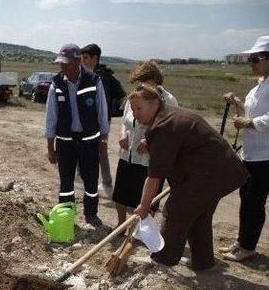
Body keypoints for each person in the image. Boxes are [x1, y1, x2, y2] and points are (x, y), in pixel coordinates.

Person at [131, 84, 248, 270]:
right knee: (199, 215)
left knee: (176, 210)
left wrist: (144, 207)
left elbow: (154, 177)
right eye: (132, 109)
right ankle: (203, 262)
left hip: (209, 174)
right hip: (221, 171)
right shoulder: (167, 116)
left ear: (155, 104)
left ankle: (163, 260)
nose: (135, 113)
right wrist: (149, 140)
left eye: (139, 108)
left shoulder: (163, 126)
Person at [45, 43, 110, 226]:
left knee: (91, 181)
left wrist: (103, 139)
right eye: (60, 63)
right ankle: (66, 215)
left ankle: (91, 214)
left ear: (78, 61)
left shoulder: (93, 80)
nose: (62, 67)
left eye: (66, 63)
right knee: (66, 182)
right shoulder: (56, 84)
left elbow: (102, 113)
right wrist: (51, 147)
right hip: (65, 143)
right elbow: (51, 118)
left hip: (89, 141)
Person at [219, 35, 269, 262]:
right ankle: (242, 241)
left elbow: (264, 119)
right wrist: (237, 102)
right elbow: (253, 110)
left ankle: (248, 246)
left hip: (265, 156)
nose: (251, 63)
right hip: (251, 153)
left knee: (254, 201)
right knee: (246, 197)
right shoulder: (260, 86)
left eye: (255, 59)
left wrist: (248, 123)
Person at [113, 61, 178, 225]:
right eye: (139, 82)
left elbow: (170, 129)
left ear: (155, 81)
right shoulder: (135, 96)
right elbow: (125, 120)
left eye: (145, 81)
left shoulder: (168, 100)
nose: (141, 85)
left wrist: (149, 140)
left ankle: (138, 231)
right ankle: (121, 226)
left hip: (149, 159)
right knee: (121, 193)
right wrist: (122, 134)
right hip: (128, 154)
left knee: (144, 197)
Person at [80, 43, 126, 196]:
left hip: (99, 122)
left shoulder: (102, 78)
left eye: (86, 58)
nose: (83, 61)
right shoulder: (89, 75)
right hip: (87, 121)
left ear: (95, 58)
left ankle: (106, 184)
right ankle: (83, 180)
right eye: (82, 58)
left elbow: (102, 105)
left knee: (101, 151)